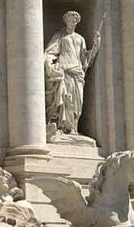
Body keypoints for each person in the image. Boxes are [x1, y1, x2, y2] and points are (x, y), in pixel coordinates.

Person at [43, 10, 101, 138]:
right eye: (70, 20)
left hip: (77, 72)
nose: (72, 22)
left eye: (74, 21)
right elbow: (51, 51)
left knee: (77, 101)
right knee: (65, 98)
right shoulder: (60, 36)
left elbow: (85, 58)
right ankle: (62, 127)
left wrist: (96, 46)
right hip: (65, 70)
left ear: (77, 22)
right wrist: (48, 61)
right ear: (66, 21)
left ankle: (73, 127)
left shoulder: (80, 39)